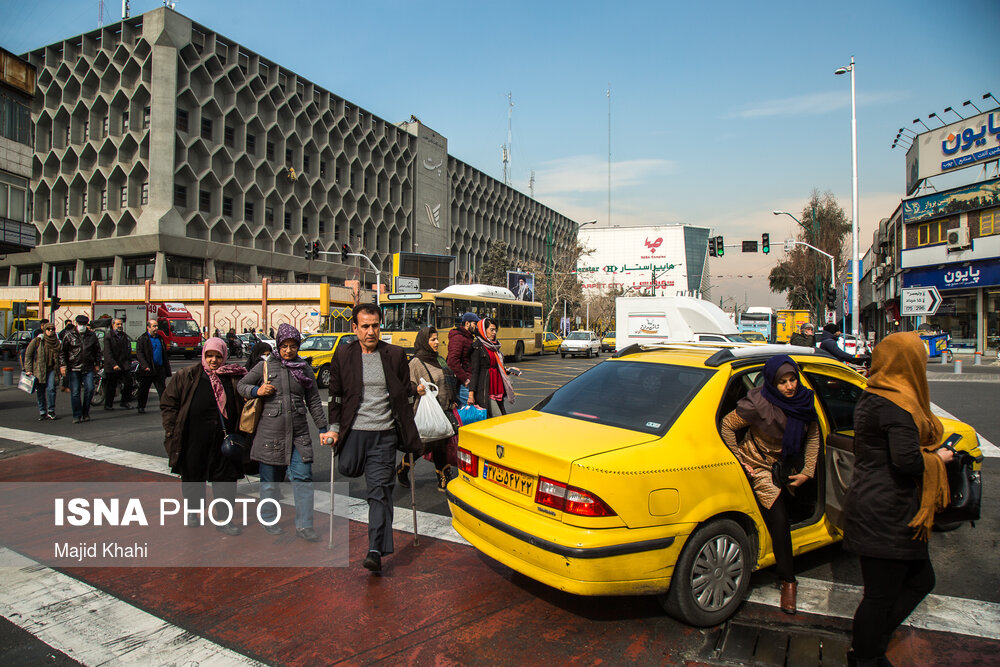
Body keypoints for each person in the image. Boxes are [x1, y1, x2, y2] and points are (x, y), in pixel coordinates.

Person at [843, 332, 953, 666]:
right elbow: (906, 461)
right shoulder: (897, 403)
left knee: (916, 581)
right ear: (908, 363)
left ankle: (871, 644)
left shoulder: (875, 393)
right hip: (887, 511)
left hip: (876, 504)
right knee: (882, 594)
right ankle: (865, 654)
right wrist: (940, 459)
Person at [325, 303, 421, 573]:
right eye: (365, 326)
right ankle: (375, 543)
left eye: (375, 325)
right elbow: (335, 395)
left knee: (379, 492)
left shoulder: (394, 354)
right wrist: (333, 428)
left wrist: (415, 391)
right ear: (354, 328)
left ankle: (375, 549)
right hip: (354, 432)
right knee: (347, 467)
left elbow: (402, 389)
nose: (371, 331)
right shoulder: (343, 354)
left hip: (384, 435)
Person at [720, 355, 820, 615]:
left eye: (792, 379)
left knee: (805, 501)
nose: (790, 386)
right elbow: (728, 426)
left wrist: (808, 471)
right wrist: (740, 460)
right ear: (772, 383)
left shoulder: (805, 400)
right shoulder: (758, 403)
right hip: (759, 464)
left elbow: (813, 435)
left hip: (788, 463)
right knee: (780, 520)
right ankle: (788, 581)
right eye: (783, 382)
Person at [238, 324, 330, 542]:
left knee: (303, 478)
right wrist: (256, 391)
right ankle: (269, 519)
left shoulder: (304, 368)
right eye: (284, 346)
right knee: (269, 483)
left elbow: (314, 401)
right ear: (278, 345)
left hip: (299, 433)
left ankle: (305, 526)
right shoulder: (266, 366)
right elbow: (242, 385)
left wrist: (323, 428)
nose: (289, 350)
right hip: (270, 433)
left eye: (293, 346)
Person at [160, 337, 248, 535]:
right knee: (192, 478)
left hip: (224, 439)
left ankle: (224, 519)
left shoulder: (233, 377)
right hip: (194, 438)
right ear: (204, 355)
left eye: (218, 356)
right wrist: (172, 430)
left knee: (226, 480)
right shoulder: (187, 375)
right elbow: (169, 404)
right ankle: (193, 512)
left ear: (224, 356)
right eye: (209, 355)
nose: (213, 360)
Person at [400, 326, 456, 492]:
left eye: (437, 339)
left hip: (444, 409)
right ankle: (404, 468)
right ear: (425, 341)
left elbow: (449, 380)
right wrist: (416, 389)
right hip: (426, 410)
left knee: (441, 442)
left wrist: (453, 399)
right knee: (426, 445)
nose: (437, 342)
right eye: (433, 339)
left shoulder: (439, 359)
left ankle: (443, 477)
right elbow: (405, 386)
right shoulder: (416, 363)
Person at [468, 318, 520, 417]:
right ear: (483, 330)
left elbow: (498, 367)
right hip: (486, 389)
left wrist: (508, 370)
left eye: (495, 330)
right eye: (491, 329)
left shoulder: (495, 346)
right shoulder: (477, 347)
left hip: (498, 388)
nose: (494, 332)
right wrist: (471, 394)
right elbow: (475, 372)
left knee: (498, 419)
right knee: (498, 417)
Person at [60, 315, 102, 424]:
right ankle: (76, 415)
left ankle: (85, 412)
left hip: (88, 367)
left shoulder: (92, 336)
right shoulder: (69, 335)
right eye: (80, 324)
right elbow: (62, 352)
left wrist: (97, 364)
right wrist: (63, 365)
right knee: (75, 392)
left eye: (84, 324)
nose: (82, 326)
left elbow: (97, 351)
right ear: (76, 324)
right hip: (74, 367)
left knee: (90, 389)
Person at [24, 323, 61, 420]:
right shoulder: (38, 341)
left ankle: (51, 410)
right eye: (48, 329)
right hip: (39, 370)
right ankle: (42, 411)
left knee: (51, 389)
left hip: (52, 369)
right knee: (40, 391)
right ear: (44, 330)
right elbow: (28, 355)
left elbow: (61, 356)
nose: (50, 331)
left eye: (52, 329)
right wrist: (28, 369)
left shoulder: (57, 342)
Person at [136, 319, 172, 414]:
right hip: (147, 369)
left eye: (157, 326)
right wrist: (145, 366)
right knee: (144, 389)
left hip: (159, 368)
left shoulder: (160, 338)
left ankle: (165, 407)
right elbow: (140, 354)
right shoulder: (142, 339)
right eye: (154, 326)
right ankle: (141, 406)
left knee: (162, 390)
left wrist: (166, 367)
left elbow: (164, 354)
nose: (156, 328)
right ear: (148, 327)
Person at [446, 312, 479, 406]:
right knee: (467, 412)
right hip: (462, 384)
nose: (476, 327)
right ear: (467, 323)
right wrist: (465, 379)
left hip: (467, 380)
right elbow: (452, 361)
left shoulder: (468, 337)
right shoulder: (458, 338)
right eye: (475, 324)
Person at [102, 318, 133, 410]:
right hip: (112, 365)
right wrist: (114, 364)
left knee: (128, 382)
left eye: (121, 324)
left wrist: (128, 360)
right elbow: (107, 353)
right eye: (118, 324)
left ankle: (125, 401)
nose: (120, 326)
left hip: (123, 363)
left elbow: (128, 348)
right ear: (113, 325)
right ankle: (108, 404)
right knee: (111, 386)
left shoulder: (124, 336)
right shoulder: (108, 336)